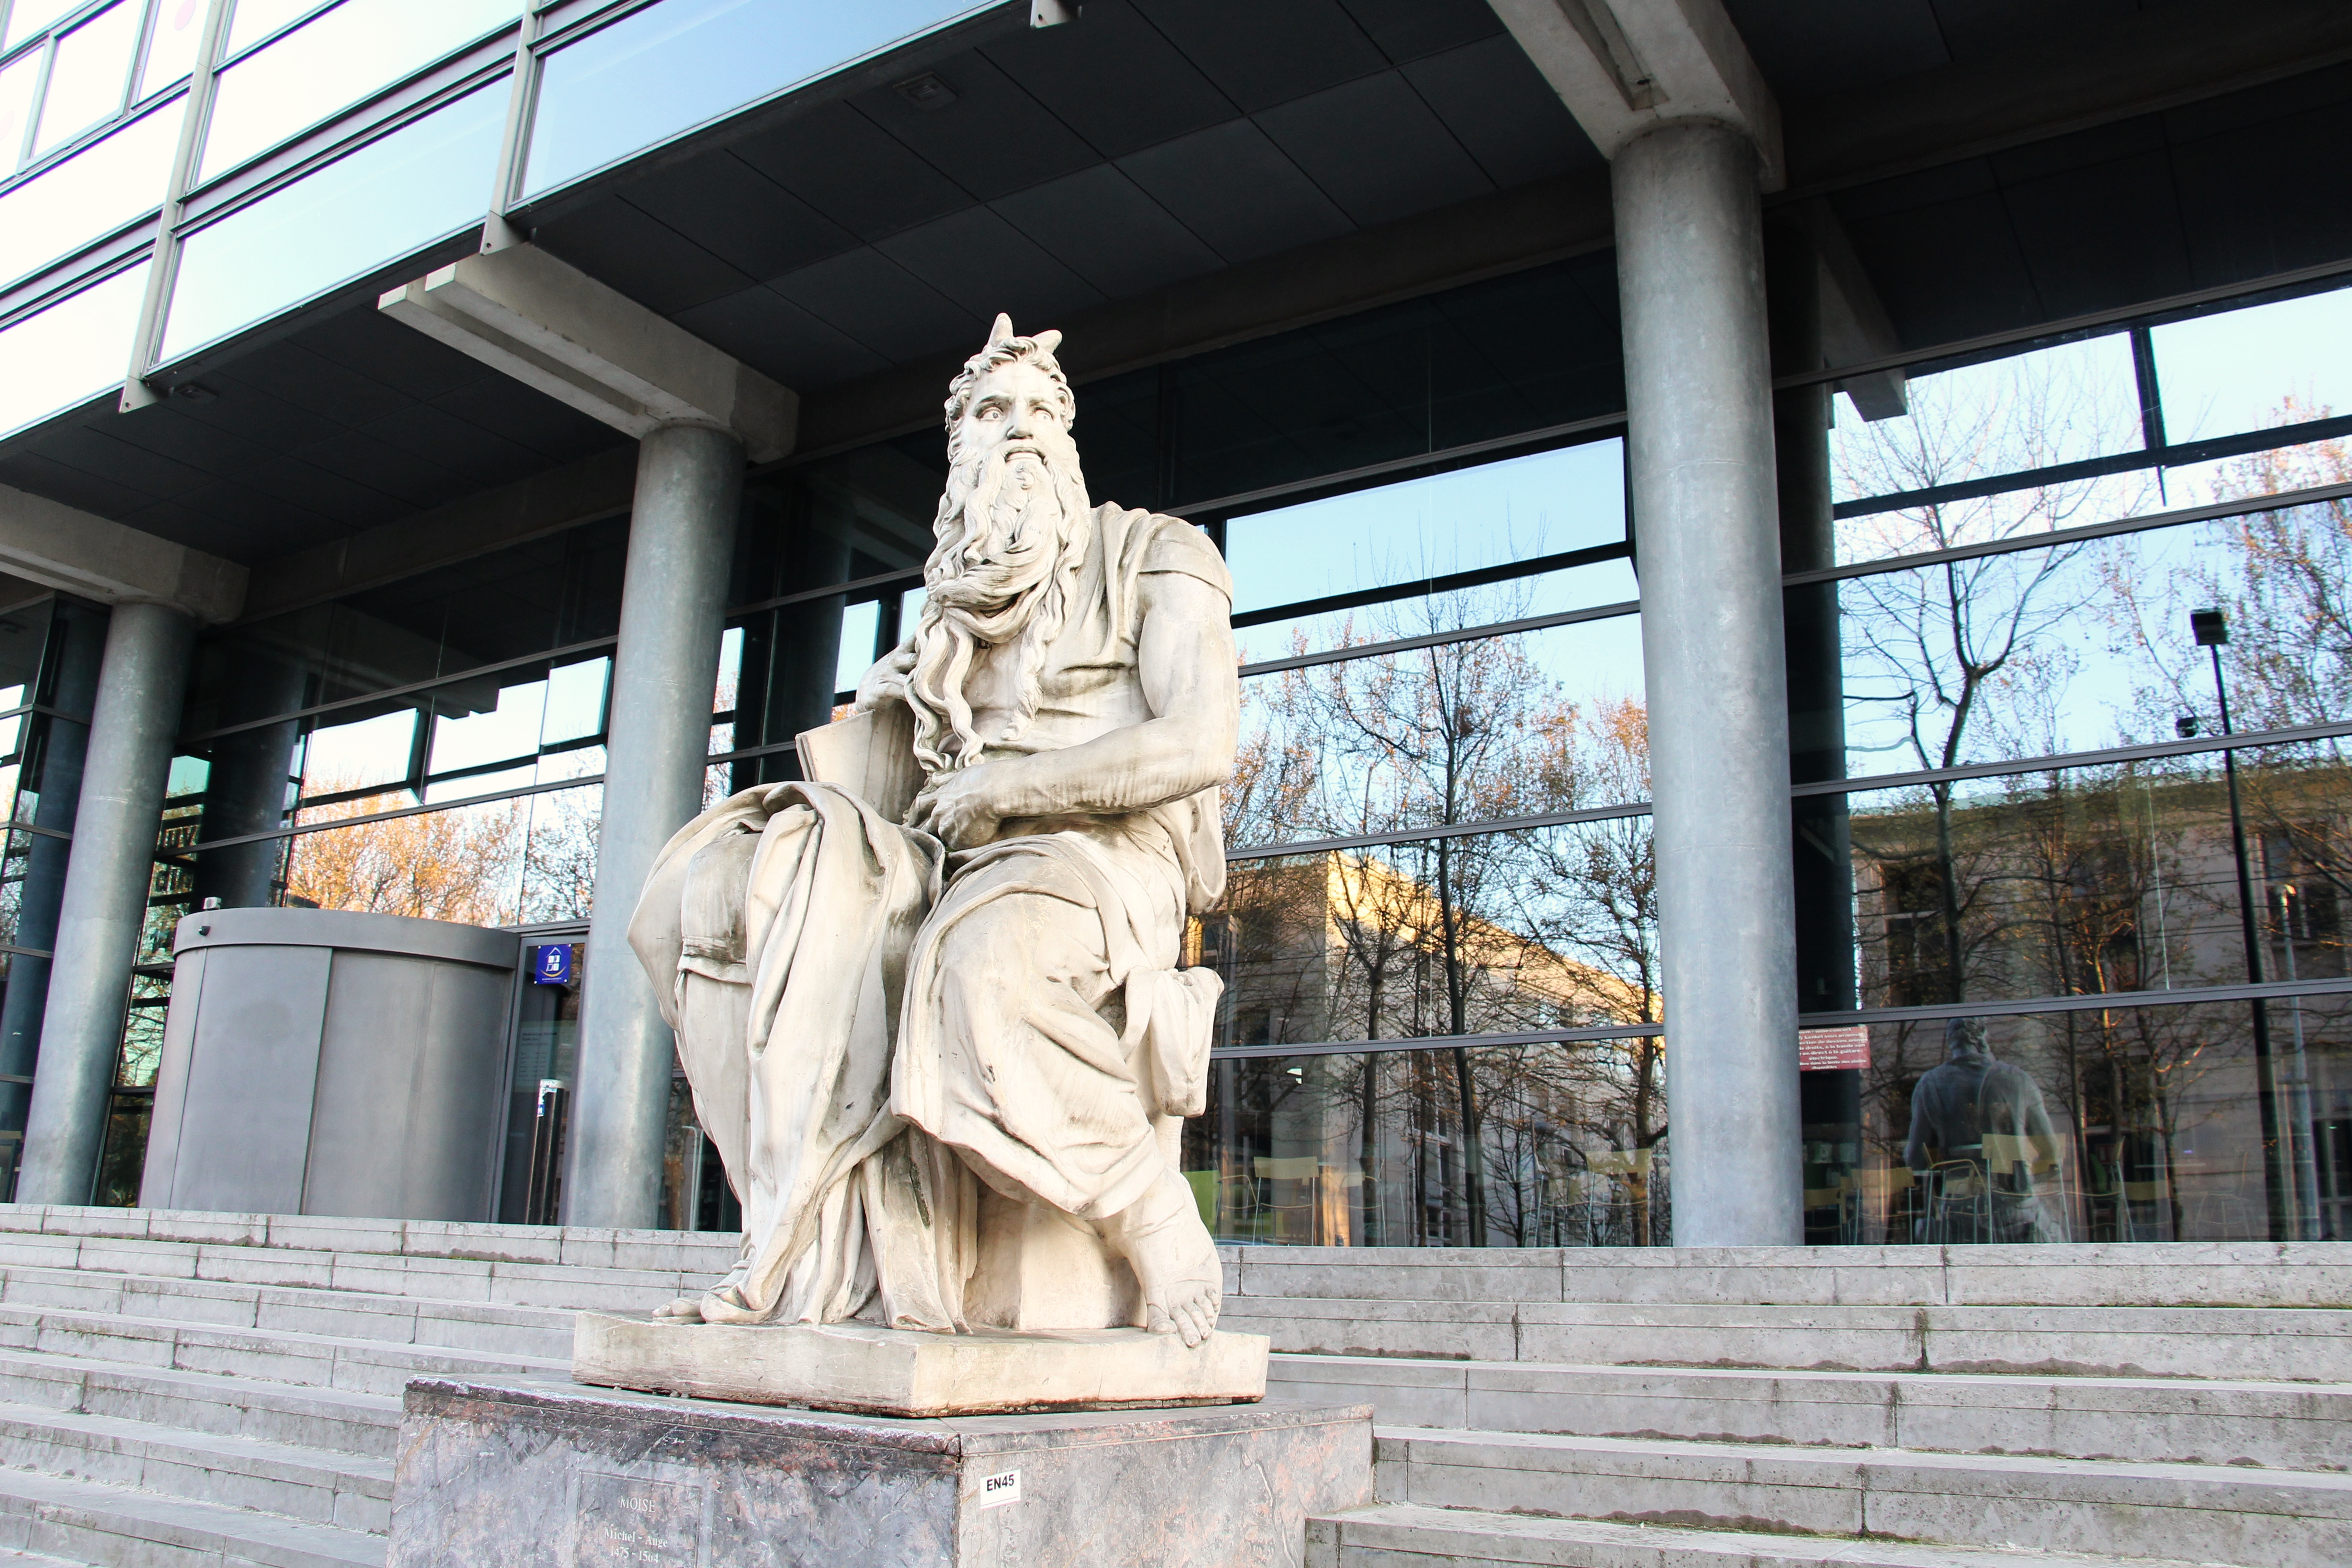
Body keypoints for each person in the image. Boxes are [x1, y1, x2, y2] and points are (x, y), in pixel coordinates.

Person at [631, 315, 1238, 1345]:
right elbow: (887, 769)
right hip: (941, 854)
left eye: (1043, 412)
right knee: (718, 882)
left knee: (978, 963)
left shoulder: (1155, 553)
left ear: (1070, 440)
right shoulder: (944, 619)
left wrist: (1021, 788)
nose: (1021, 432)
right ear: (959, 454)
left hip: (1095, 857)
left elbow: (1199, 740)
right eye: (993, 414)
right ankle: (795, 1244)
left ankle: (1149, 1208)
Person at [1904, 1017, 2062, 1243]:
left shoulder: (1929, 1085)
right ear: (1981, 1037)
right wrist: (2022, 1182)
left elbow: (1915, 1161)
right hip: (2014, 1210)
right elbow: (2053, 1158)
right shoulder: (2018, 1079)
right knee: (2055, 1237)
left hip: (1956, 1212)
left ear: (1952, 1042)